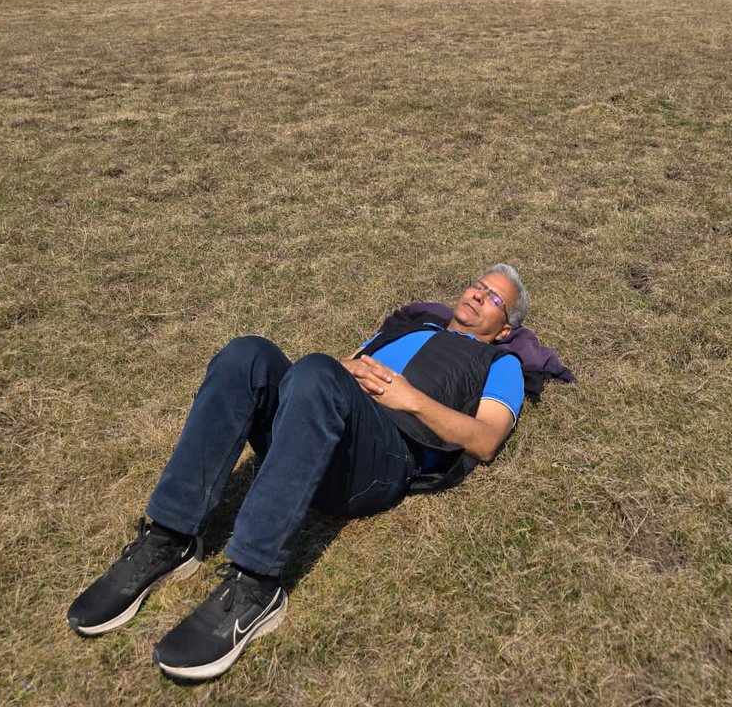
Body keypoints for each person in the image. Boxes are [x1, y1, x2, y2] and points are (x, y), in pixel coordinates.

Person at [68, 264, 530, 682]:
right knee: (247, 354)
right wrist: (343, 370)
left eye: (493, 298)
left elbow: (485, 440)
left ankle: (255, 584)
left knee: (316, 374)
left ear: (505, 327)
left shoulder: (501, 364)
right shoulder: (407, 327)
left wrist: (410, 399)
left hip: (382, 457)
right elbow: (335, 370)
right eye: (478, 285)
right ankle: (170, 536)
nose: (477, 295)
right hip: (324, 418)